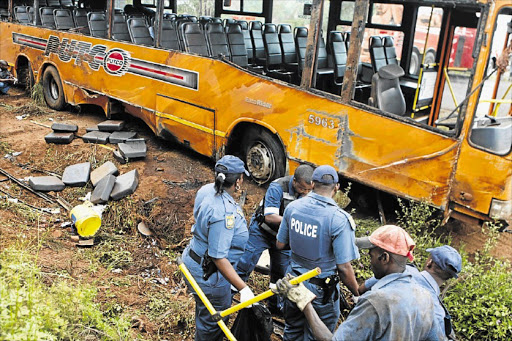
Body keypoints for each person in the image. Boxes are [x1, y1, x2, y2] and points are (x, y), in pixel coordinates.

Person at [274, 225, 444, 341]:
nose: (369, 262)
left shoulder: (376, 301)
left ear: (384, 258)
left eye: (371, 255)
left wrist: (304, 302)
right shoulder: (425, 296)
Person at [276, 165, 360, 341]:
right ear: (336, 187)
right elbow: (344, 267)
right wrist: (357, 293)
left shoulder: (293, 208)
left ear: (312, 183)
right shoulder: (339, 219)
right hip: (321, 291)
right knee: (317, 332)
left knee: (291, 330)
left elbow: (280, 244)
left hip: (292, 281)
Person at [181, 155, 254, 341]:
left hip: (193, 259)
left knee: (205, 310)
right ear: (238, 181)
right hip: (211, 275)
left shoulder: (207, 190)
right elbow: (218, 257)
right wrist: (243, 288)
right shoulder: (224, 213)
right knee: (213, 325)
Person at [236, 164, 314, 312]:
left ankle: (275, 305)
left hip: (283, 237)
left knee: (281, 272)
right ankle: (235, 291)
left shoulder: (308, 192)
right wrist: (295, 219)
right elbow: (270, 217)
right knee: (246, 262)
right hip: (262, 232)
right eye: (302, 189)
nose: (305, 193)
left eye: (309, 190)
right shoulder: (277, 187)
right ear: (294, 181)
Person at [359, 244, 462, 340]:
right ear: (449, 277)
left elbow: (361, 289)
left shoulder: (399, 270)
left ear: (430, 262)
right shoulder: (437, 312)